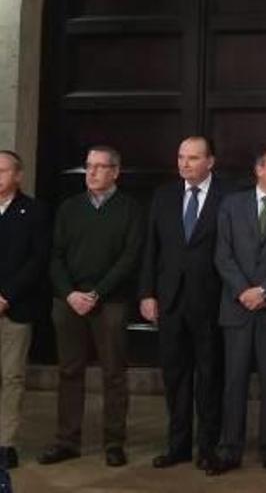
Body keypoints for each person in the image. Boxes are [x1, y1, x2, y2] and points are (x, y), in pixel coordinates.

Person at [40, 145, 143, 467]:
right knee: (70, 372)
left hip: (109, 302)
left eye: (100, 167)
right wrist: (69, 293)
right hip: (68, 301)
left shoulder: (130, 209)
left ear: (115, 172)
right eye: (89, 166)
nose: (93, 173)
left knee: (114, 374)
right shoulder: (69, 208)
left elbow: (129, 258)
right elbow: (55, 255)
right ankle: (67, 441)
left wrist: (97, 293)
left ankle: (114, 442)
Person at [139, 136, 230, 470]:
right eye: (180, 157)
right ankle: (177, 445)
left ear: (210, 162)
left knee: (209, 377)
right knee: (175, 377)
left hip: (211, 301)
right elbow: (152, 248)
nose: (184, 164)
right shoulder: (164, 196)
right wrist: (147, 293)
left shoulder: (229, 196)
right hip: (171, 301)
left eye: (193, 158)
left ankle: (208, 447)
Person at [208, 145, 266, 476]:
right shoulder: (231, 204)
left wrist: (264, 290)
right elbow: (222, 254)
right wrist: (243, 291)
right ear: (259, 169)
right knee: (234, 381)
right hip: (237, 307)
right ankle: (229, 448)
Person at [0, 150, 50, 469]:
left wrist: (6, 296)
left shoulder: (34, 211)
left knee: (11, 377)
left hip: (14, 307)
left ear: (17, 175)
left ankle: (5, 443)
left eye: (3, 170)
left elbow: (37, 260)